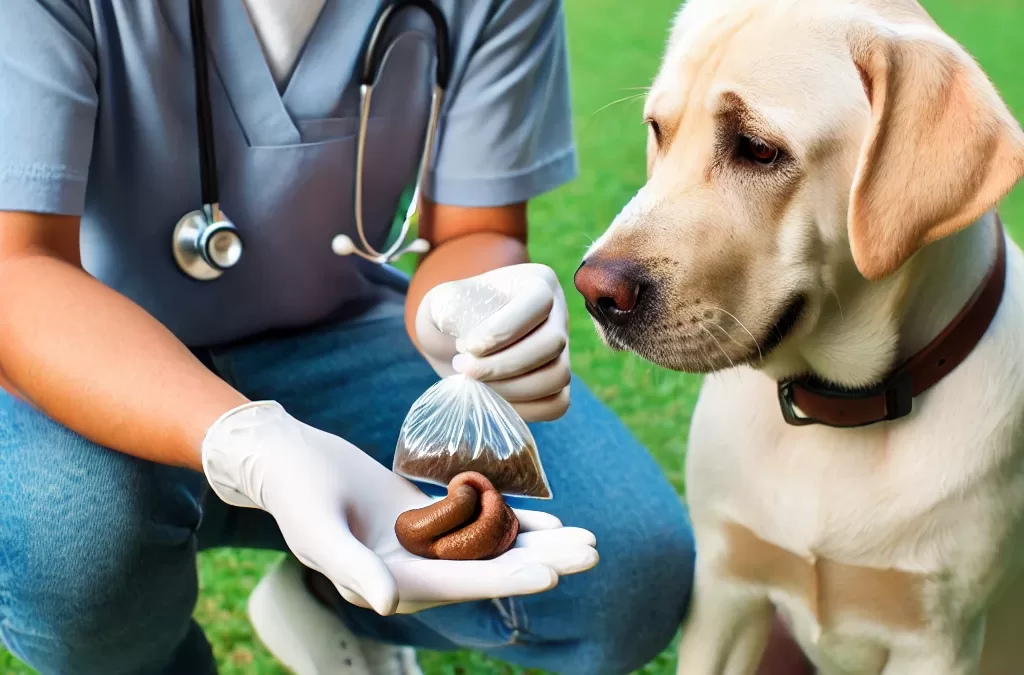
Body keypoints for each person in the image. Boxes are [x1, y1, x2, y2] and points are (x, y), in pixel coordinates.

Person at [0, 1, 806, 674]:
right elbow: (18, 272)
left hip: (339, 332)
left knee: (626, 572)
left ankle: (330, 599)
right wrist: (253, 442)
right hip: (86, 352)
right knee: (75, 542)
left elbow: (474, 232)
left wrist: (471, 308)